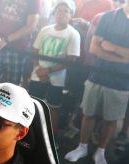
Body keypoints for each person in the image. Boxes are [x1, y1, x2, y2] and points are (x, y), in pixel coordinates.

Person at [64, 0, 129, 164]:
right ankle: (82, 146)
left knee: (111, 119)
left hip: (124, 81)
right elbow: (94, 47)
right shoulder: (109, 16)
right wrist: (125, 57)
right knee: (88, 113)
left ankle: (100, 151)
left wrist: (112, 47)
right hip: (98, 74)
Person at [28, 0, 80, 132]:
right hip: (38, 74)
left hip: (57, 79)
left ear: (71, 15)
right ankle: (30, 133)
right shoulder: (45, 30)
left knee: (53, 108)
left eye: (65, 11)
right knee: (33, 104)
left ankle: (51, 138)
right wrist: (38, 69)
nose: (61, 14)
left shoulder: (73, 34)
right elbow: (35, 51)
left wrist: (48, 71)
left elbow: (71, 59)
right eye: (58, 11)